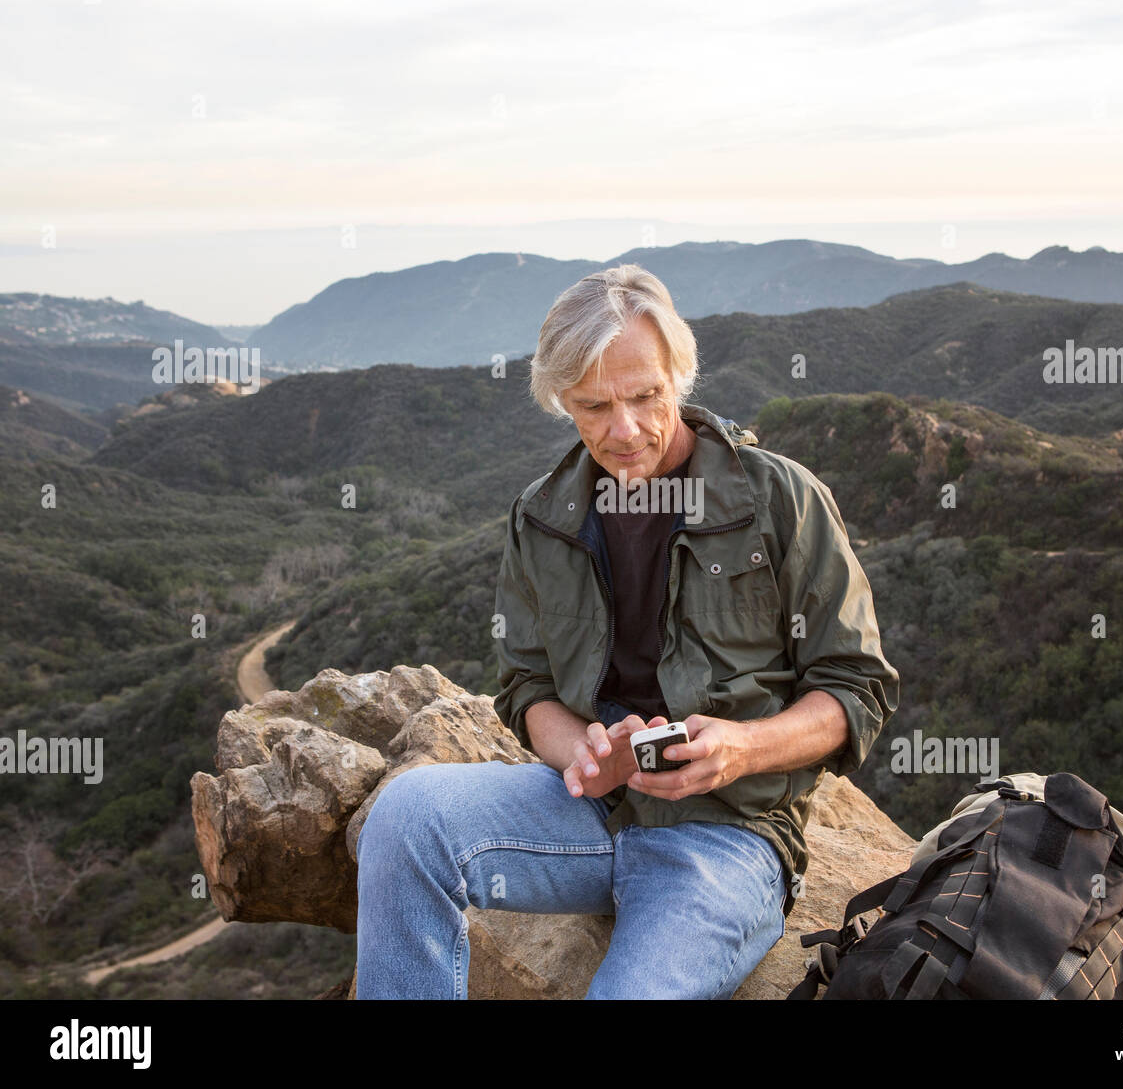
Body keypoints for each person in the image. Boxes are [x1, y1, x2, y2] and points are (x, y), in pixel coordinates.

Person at [355, 264, 899, 999]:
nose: (626, 430)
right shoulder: (542, 516)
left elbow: (855, 687)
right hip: (587, 814)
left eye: (645, 396)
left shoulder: (780, 498)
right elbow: (527, 686)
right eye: (593, 406)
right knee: (404, 819)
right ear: (560, 403)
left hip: (728, 837)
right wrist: (578, 754)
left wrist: (742, 748)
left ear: (679, 373)